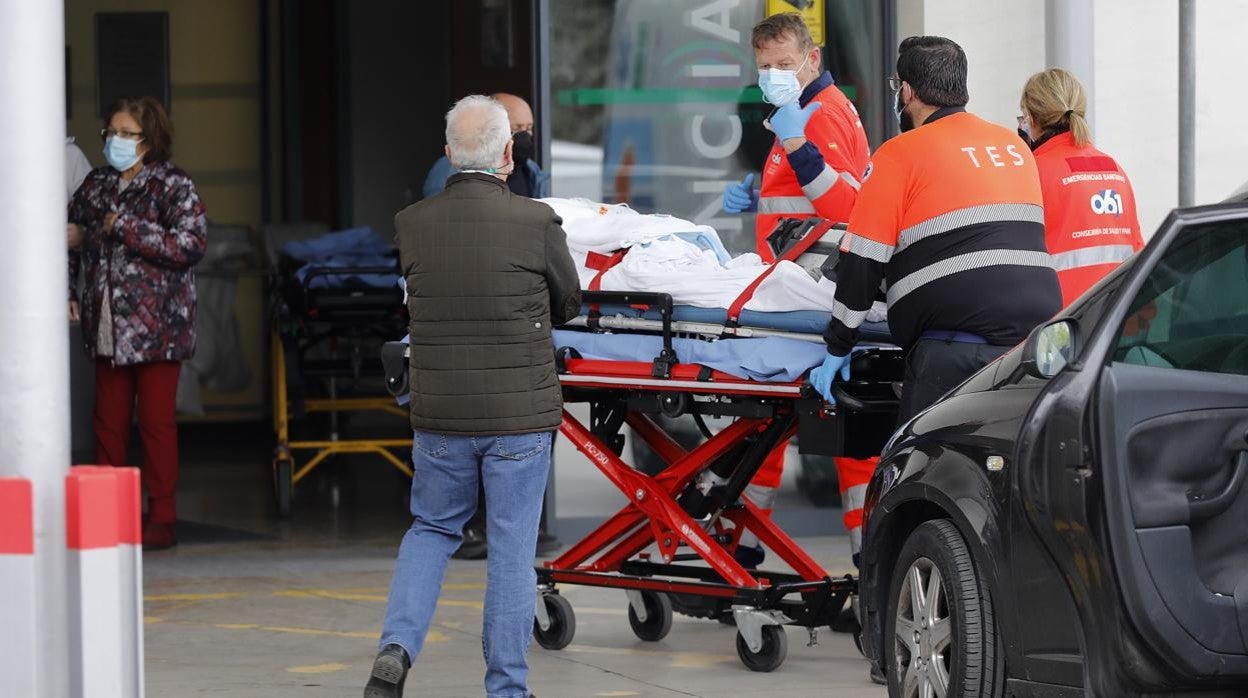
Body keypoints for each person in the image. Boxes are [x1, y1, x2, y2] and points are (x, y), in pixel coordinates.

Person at [365, 95, 580, 698]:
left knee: (431, 529)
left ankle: (396, 648)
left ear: (448, 156)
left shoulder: (413, 223)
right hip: (518, 417)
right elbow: (569, 302)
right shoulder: (536, 222)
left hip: (440, 415)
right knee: (511, 547)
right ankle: (506, 687)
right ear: (509, 155)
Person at [812, 35, 1062, 427]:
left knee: (921, 468)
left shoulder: (899, 154)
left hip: (953, 349)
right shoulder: (1014, 148)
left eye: (897, 87)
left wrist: (838, 343)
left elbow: (862, 258)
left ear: (907, 92)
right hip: (1032, 343)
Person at [720, 11, 876, 565]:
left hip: (804, 295)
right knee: (779, 426)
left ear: (813, 59)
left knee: (777, 424)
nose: (773, 75)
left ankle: (744, 550)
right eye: (764, 67)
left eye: (784, 64)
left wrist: (798, 150)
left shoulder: (816, 116)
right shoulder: (808, 110)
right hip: (798, 288)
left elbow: (848, 207)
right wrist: (760, 189)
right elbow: (805, 197)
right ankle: (744, 547)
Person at [67, 96, 208, 550]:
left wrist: (125, 226)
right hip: (107, 323)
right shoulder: (96, 184)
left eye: (127, 134)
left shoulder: (173, 184)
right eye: (112, 133)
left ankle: (161, 517)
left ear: (150, 139)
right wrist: (70, 290)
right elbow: (72, 236)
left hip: (158, 328)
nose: (117, 142)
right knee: (107, 424)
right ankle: (107, 517)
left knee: (155, 423)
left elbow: (191, 244)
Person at [424, 91, 554, 561]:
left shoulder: (533, 180)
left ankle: (517, 525)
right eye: (517, 132)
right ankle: (474, 527)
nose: (523, 140)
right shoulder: (445, 187)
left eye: (528, 130)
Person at [1020, 68, 1143, 306]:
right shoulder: (1115, 170)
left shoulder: (1033, 172)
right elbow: (1138, 250)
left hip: (1059, 323)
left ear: (1031, 118)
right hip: (1113, 317)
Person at [422, 92, 549, 200]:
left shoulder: (532, 171)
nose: (525, 135)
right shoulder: (452, 167)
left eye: (529, 128)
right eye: (516, 128)